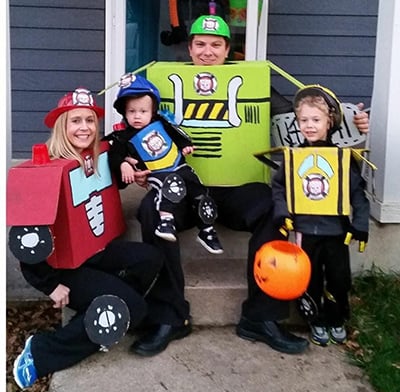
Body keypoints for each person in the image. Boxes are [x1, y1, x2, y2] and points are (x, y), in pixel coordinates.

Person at [134, 14, 371, 355]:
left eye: (216, 45)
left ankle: (261, 317)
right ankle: (170, 317)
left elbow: (303, 118)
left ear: (228, 50)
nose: (207, 51)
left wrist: (351, 123)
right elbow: (139, 128)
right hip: (185, 188)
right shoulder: (162, 86)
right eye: (200, 44)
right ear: (189, 48)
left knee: (273, 209)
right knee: (150, 212)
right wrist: (140, 167)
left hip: (239, 188)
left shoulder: (254, 83)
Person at [11, 88, 192, 389]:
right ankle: (42, 353)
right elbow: (28, 235)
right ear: (61, 127)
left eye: (90, 121)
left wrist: (134, 173)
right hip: (67, 268)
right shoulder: (48, 168)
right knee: (130, 308)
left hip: (96, 252)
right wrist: (48, 283)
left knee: (152, 257)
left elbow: (111, 176)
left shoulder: (94, 158)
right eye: (75, 121)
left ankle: (108, 304)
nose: (84, 127)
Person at [271, 85, 370, 346]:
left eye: (316, 120)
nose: (310, 126)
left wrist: (360, 225)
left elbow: (357, 192)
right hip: (305, 231)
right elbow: (279, 187)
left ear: (330, 122)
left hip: (337, 231)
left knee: (339, 277)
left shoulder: (343, 158)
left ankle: (336, 318)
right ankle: (314, 320)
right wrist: (283, 215)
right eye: (304, 120)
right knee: (310, 277)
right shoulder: (293, 157)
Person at [105, 73, 223, 254]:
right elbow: (114, 155)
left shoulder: (161, 122)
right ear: (124, 112)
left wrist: (186, 146)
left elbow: (178, 134)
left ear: (152, 111)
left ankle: (206, 230)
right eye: (131, 111)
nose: (137, 116)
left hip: (178, 164)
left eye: (143, 111)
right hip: (155, 172)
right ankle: (166, 221)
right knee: (171, 184)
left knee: (199, 191)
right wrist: (123, 164)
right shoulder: (123, 136)